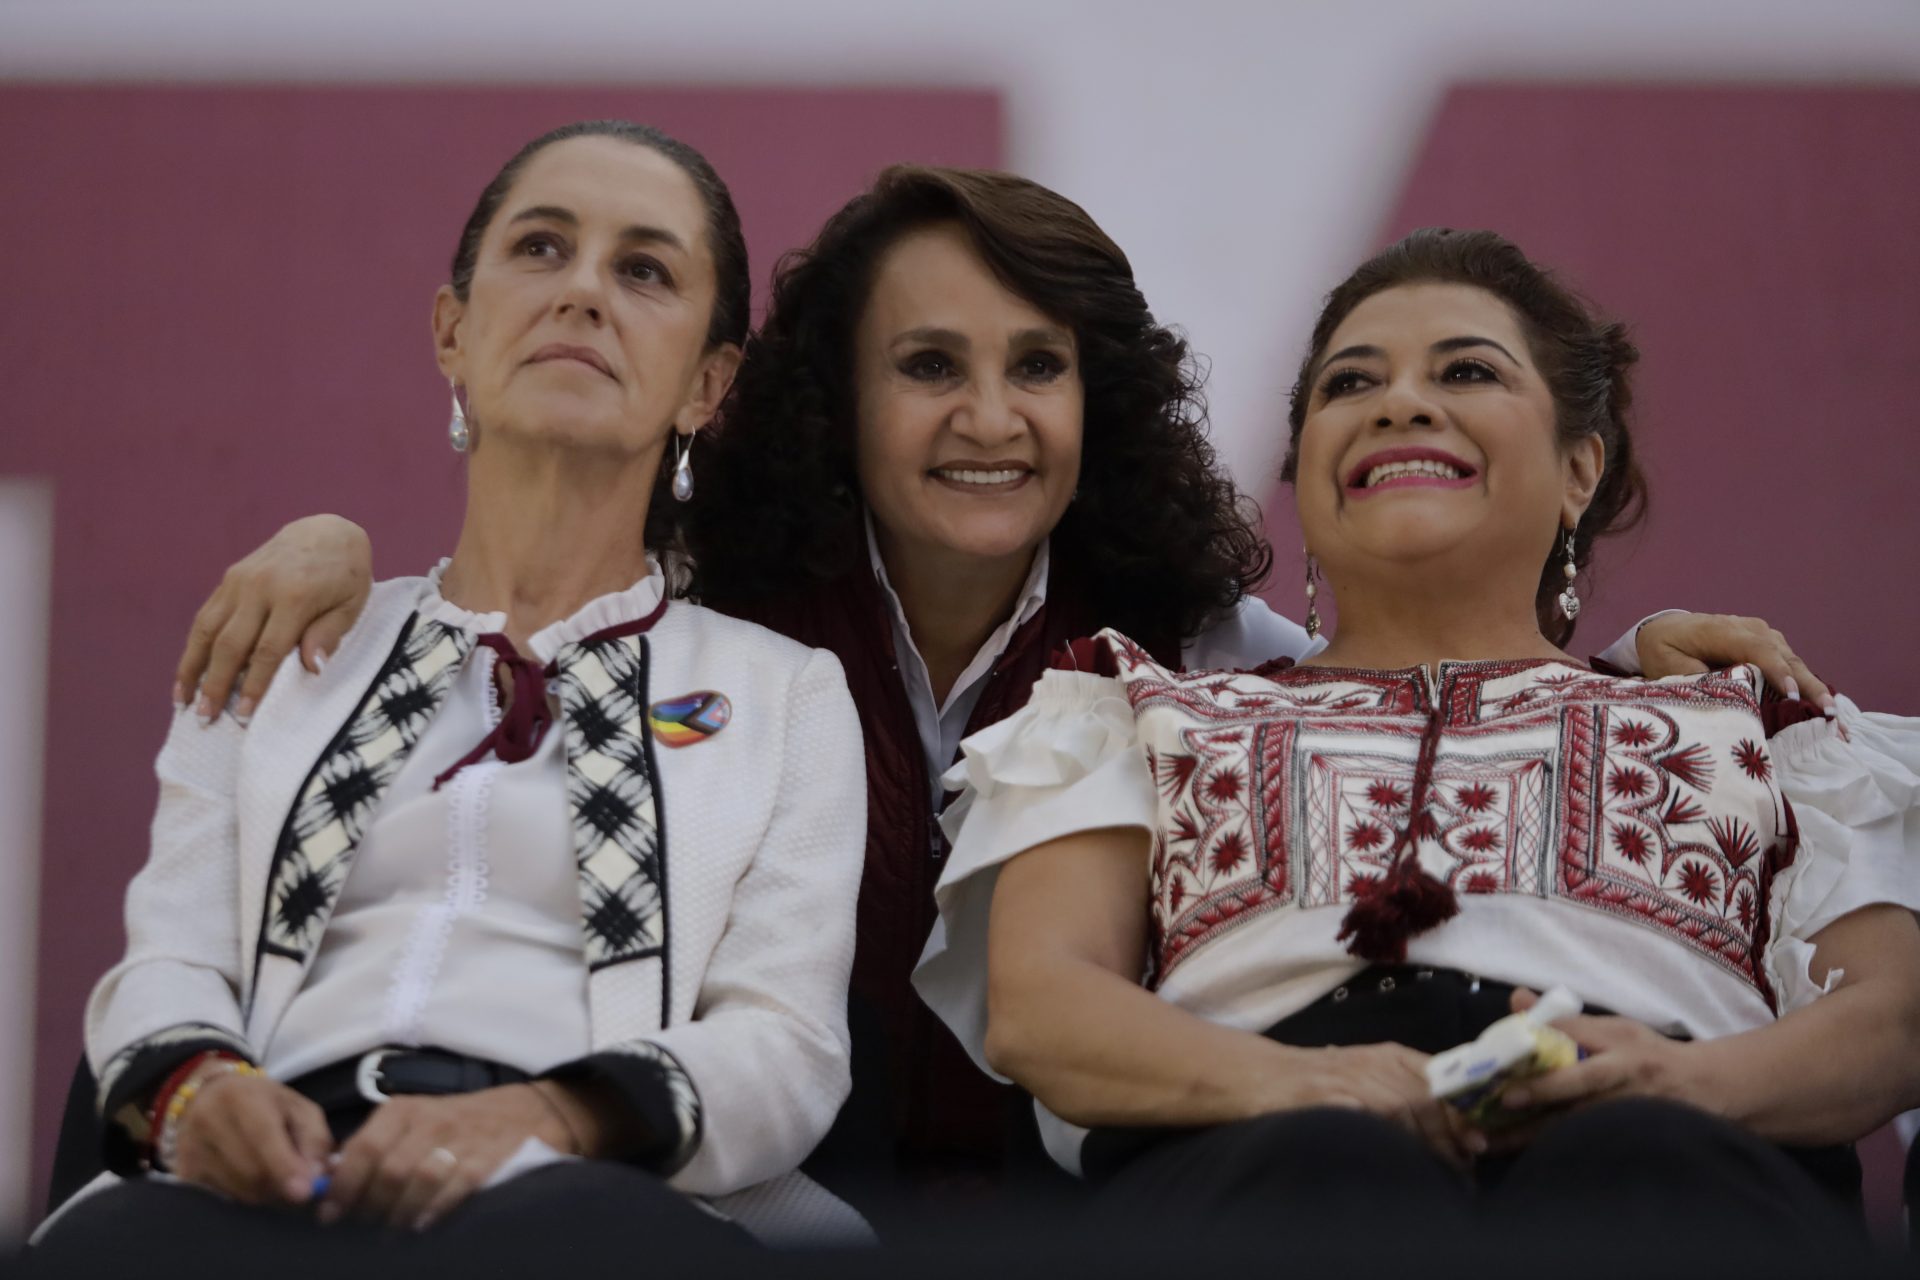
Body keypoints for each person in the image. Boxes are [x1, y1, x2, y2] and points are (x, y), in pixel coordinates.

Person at [165, 172, 1831, 1216]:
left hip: (1092, 1214)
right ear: (826, 403)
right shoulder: (709, 623)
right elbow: (495, 608)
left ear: (1099, 400)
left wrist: (1642, 657)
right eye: (929, 366)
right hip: (753, 1197)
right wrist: (326, 545)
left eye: (1039, 368)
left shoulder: (1194, 654)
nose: (991, 416)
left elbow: (1434, 710)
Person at [913, 228, 1920, 1243]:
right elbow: (1044, 1005)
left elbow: (1893, 1018)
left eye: (1468, 370)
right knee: (1331, 1171)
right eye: (1351, 384)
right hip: (1257, 1164)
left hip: (1679, 1158)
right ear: (1304, 469)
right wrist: (1302, 1081)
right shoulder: (1131, 713)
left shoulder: (1759, 723)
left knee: (1636, 1164)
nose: (1399, 402)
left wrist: (1683, 1080)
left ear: (1580, 467)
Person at [34, 120, 866, 1272]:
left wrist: (545, 1119)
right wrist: (199, 1090)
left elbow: (785, 1044)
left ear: (707, 384)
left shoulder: (781, 693)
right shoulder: (285, 631)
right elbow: (172, 950)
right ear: (451, 333)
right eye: (541, 247)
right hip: (265, 1179)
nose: (583, 290)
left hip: (585, 1191)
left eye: (644, 269)